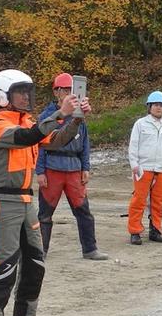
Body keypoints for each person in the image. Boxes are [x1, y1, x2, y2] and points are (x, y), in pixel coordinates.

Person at [0, 69, 91, 316]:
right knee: (4, 268)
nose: (26, 97)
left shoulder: (28, 122)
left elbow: (56, 140)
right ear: (2, 96)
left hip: (26, 201)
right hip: (3, 202)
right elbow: (29, 136)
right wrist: (60, 114)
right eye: (20, 92)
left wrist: (75, 117)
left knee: (35, 263)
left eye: (28, 91)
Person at [35, 72, 108, 260]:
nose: (68, 93)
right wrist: (40, 171)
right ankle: (40, 251)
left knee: (83, 211)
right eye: (65, 90)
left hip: (74, 168)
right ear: (56, 92)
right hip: (52, 167)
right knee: (45, 213)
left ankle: (90, 249)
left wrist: (86, 167)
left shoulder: (79, 115)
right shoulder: (47, 116)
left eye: (71, 90)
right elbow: (40, 145)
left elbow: (85, 143)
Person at [127, 90, 162, 245]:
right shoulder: (140, 124)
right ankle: (135, 231)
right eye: (156, 105)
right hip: (143, 169)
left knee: (158, 202)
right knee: (139, 201)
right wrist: (134, 164)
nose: (159, 108)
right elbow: (133, 145)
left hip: (161, 170)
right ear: (149, 106)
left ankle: (155, 230)